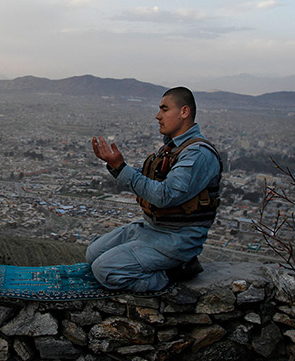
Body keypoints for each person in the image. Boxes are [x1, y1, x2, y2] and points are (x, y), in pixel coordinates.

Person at [86, 87, 222, 292]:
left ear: (184, 112)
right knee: (92, 254)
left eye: (165, 109)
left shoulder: (198, 154)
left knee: (105, 270)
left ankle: (171, 274)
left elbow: (164, 195)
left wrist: (122, 168)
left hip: (177, 237)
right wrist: (115, 166)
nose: (158, 116)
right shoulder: (173, 148)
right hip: (152, 228)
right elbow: (148, 177)